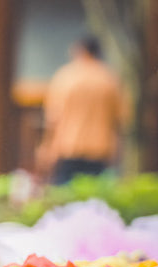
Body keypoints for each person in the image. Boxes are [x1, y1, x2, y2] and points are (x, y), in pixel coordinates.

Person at [37, 36, 127, 185]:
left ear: (80, 51)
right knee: (95, 197)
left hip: (68, 145)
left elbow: (53, 117)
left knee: (64, 195)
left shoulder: (66, 77)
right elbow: (121, 118)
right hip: (101, 147)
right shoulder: (110, 78)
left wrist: (46, 147)